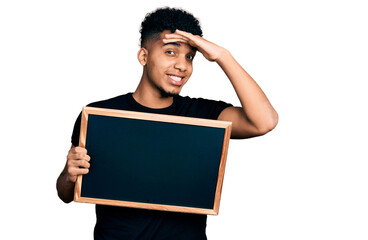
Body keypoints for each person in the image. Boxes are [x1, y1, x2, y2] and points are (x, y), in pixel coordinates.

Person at [57, 7, 278, 240]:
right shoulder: (99, 115)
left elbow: (265, 121)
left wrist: (223, 56)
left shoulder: (203, 116)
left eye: (190, 56)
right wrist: (69, 175)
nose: (183, 65)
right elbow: (65, 193)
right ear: (144, 56)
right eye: (171, 52)